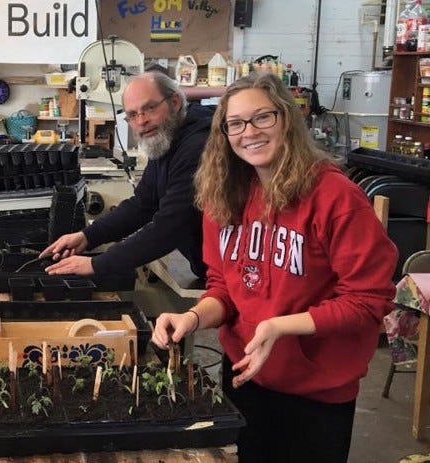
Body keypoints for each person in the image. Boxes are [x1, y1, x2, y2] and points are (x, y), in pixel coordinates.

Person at [152, 72, 397, 462]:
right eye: (235, 123)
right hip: (245, 375)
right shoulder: (224, 194)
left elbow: (369, 300)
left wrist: (281, 326)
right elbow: (223, 287)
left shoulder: (335, 196)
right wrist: (193, 318)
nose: (249, 132)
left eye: (262, 117)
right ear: (224, 134)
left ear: (286, 119)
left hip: (316, 392)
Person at [41, 71, 211, 281]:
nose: (141, 121)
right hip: (210, 270)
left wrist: (97, 264)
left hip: (231, 278)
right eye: (132, 114)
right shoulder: (165, 138)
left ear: (175, 102)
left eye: (150, 108)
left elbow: (171, 226)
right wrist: (87, 236)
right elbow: (143, 204)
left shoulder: (198, 147)